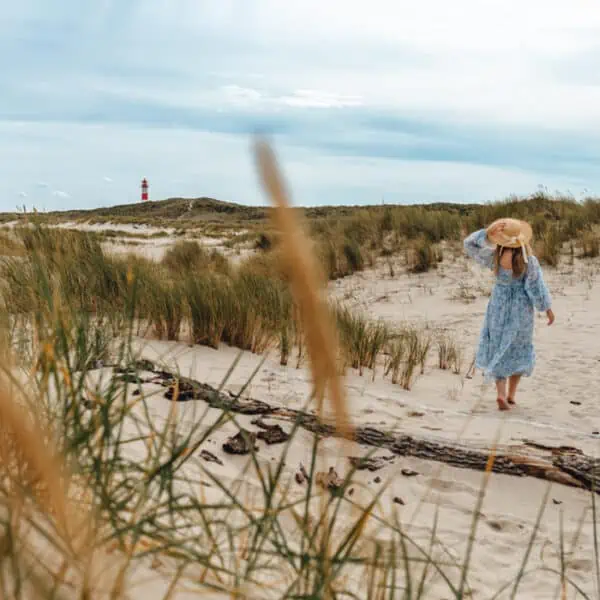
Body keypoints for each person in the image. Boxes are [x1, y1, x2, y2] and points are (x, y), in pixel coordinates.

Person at [463, 218, 555, 411]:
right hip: (521, 309)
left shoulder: (495, 257)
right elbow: (536, 287)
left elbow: (469, 244)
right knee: (519, 349)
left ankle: (500, 394)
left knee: (498, 345)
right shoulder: (528, 261)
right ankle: (512, 395)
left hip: (498, 306)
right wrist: (547, 308)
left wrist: (486, 233)